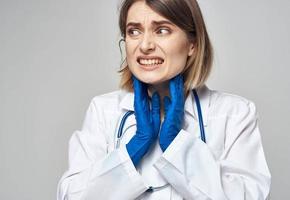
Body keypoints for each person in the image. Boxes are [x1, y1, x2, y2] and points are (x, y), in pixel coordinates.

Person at [57, 0, 271, 199]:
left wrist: (177, 146)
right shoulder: (103, 111)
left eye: (162, 30)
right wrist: (133, 150)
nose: (145, 45)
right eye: (134, 31)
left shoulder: (234, 113)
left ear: (192, 44)